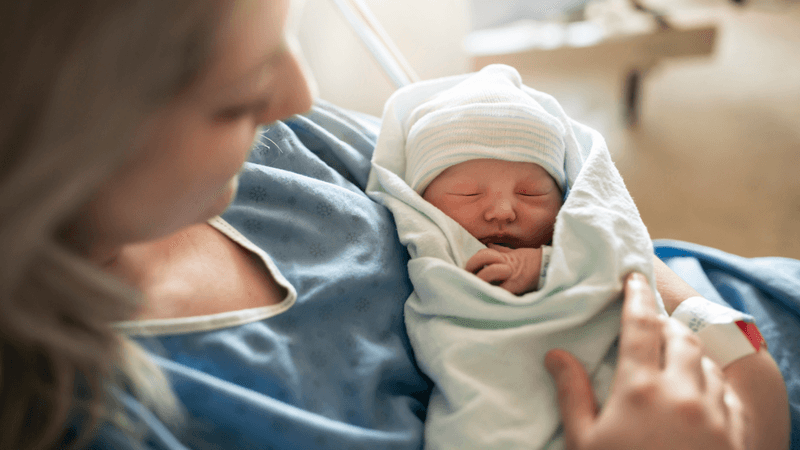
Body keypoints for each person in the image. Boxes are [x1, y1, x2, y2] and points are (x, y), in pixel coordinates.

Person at [0, 1, 789, 450]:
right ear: (59, 139)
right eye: (237, 95)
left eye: (288, 39)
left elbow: (592, 200)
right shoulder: (114, 422)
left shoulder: (279, 151)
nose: (300, 96)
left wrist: (734, 351)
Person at [367, 63, 784, 449]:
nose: (502, 211)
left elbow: (602, 262)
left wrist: (541, 264)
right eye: (468, 194)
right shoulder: (424, 244)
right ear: (417, 202)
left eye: (531, 193)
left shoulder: (574, 243)